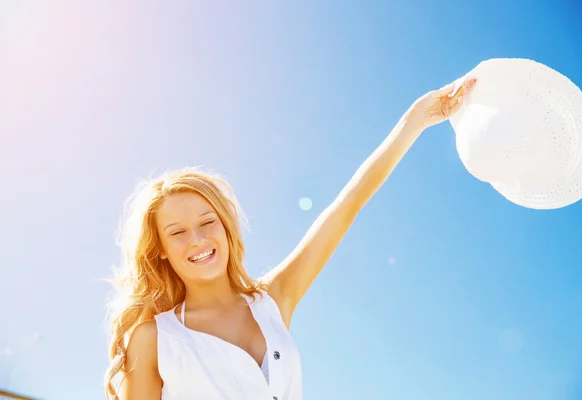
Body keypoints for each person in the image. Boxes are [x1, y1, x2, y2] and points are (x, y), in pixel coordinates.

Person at [103, 77, 477, 400]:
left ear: (226, 227)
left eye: (208, 222)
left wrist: (413, 121)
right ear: (161, 251)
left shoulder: (272, 301)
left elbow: (346, 207)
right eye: (178, 233)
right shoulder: (154, 338)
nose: (198, 240)